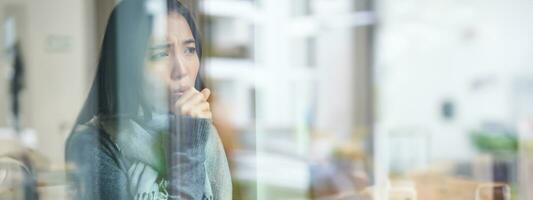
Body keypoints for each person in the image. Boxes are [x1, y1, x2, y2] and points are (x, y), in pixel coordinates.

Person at [65, 0, 231, 199]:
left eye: (189, 50)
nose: (181, 70)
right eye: (161, 53)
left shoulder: (202, 131)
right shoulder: (91, 144)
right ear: (127, 64)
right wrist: (188, 147)